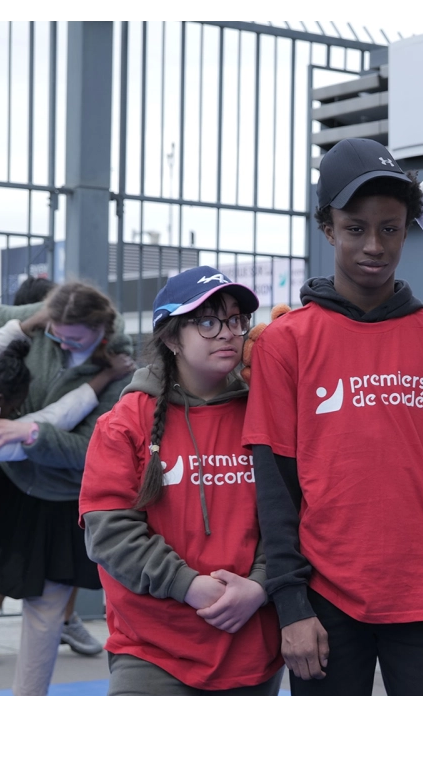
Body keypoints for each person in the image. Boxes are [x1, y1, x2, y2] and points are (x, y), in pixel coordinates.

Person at [243, 138, 423, 699]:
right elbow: (275, 488)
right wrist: (291, 605)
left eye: (391, 228)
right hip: (323, 605)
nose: (374, 245)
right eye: (355, 228)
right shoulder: (287, 343)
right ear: (328, 229)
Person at [79, 266, 283, 701]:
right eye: (207, 322)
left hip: (250, 645)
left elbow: (292, 514)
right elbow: (110, 533)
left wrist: (261, 585)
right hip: (151, 651)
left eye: (235, 320)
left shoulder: (267, 413)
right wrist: (185, 584)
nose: (227, 333)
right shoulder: (124, 423)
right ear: (172, 338)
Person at [0, 281, 134, 697]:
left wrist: (30, 434)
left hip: (58, 498)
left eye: (74, 338)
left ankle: (27, 706)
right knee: (1, 577)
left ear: (100, 330)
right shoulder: (44, 322)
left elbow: (90, 447)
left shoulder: (120, 366)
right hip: (10, 485)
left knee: (46, 609)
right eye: (54, 332)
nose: (61, 341)